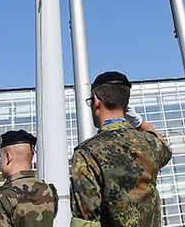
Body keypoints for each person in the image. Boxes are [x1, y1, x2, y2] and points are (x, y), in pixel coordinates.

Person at [70, 71, 171, 227]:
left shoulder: (87, 154)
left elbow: (85, 221)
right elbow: (164, 145)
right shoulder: (149, 144)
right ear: (126, 105)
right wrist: (139, 123)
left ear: (96, 101)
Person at [0, 130, 58, 227]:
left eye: (0, 157)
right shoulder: (49, 190)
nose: (0, 162)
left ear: (7, 156)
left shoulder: (4, 196)